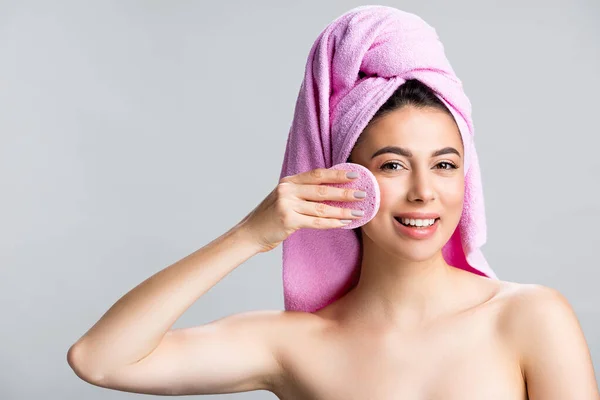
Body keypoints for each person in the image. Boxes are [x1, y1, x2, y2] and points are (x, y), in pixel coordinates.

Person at [67, 78, 599, 399]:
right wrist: (251, 235)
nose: (423, 193)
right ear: (344, 181)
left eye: (445, 165)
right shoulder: (296, 344)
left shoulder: (529, 317)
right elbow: (101, 358)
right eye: (392, 165)